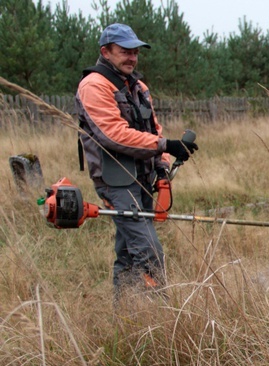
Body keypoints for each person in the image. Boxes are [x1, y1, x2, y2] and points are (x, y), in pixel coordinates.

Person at [75, 23, 198, 296]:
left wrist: (162, 167)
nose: (132, 57)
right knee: (149, 250)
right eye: (124, 51)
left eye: (135, 52)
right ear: (105, 52)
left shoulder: (138, 86)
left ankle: (126, 317)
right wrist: (166, 145)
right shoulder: (93, 85)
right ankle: (157, 316)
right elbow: (114, 135)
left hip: (142, 178)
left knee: (128, 253)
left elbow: (153, 129)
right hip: (115, 181)